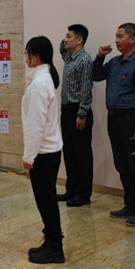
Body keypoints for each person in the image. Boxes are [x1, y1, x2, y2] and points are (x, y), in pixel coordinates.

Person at [92, 23, 135, 227]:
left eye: (120, 36)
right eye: (116, 36)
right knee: (122, 164)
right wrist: (100, 56)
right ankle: (130, 204)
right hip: (114, 119)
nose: (116, 40)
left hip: (132, 121)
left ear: (133, 39)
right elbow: (96, 75)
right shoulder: (114, 62)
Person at [22, 36, 65, 264]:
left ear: (36, 56)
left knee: (46, 200)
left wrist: (29, 156)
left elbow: (35, 125)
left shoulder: (40, 84)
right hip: (47, 150)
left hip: (43, 153)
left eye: (27, 53)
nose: (25, 57)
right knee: (45, 199)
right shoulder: (43, 79)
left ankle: (55, 247)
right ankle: (50, 240)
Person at [57, 24, 94, 207]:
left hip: (78, 112)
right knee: (69, 153)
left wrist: (82, 113)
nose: (65, 39)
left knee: (82, 155)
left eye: (69, 36)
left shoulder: (84, 60)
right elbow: (61, 48)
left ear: (80, 40)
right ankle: (71, 189)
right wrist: (65, 40)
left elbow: (86, 88)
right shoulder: (69, 57)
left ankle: (83, 194)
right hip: (66, 111)